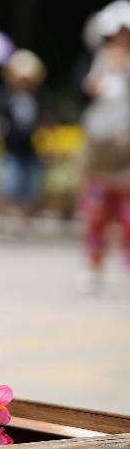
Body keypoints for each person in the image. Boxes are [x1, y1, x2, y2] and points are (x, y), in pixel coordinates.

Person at [79, 22, 130, 292]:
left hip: (126, 151)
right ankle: (94, 265)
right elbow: (90, 89)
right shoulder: (101, 58)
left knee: (127, 215)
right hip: (101, 146)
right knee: (96, 212)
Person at [0, 50, 46, 224]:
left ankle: (23, 222)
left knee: (31, 190)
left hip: (31, 149)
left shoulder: (37, 99)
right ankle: (4, 220)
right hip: (11, 149)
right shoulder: (5, 97)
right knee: (8, 187)